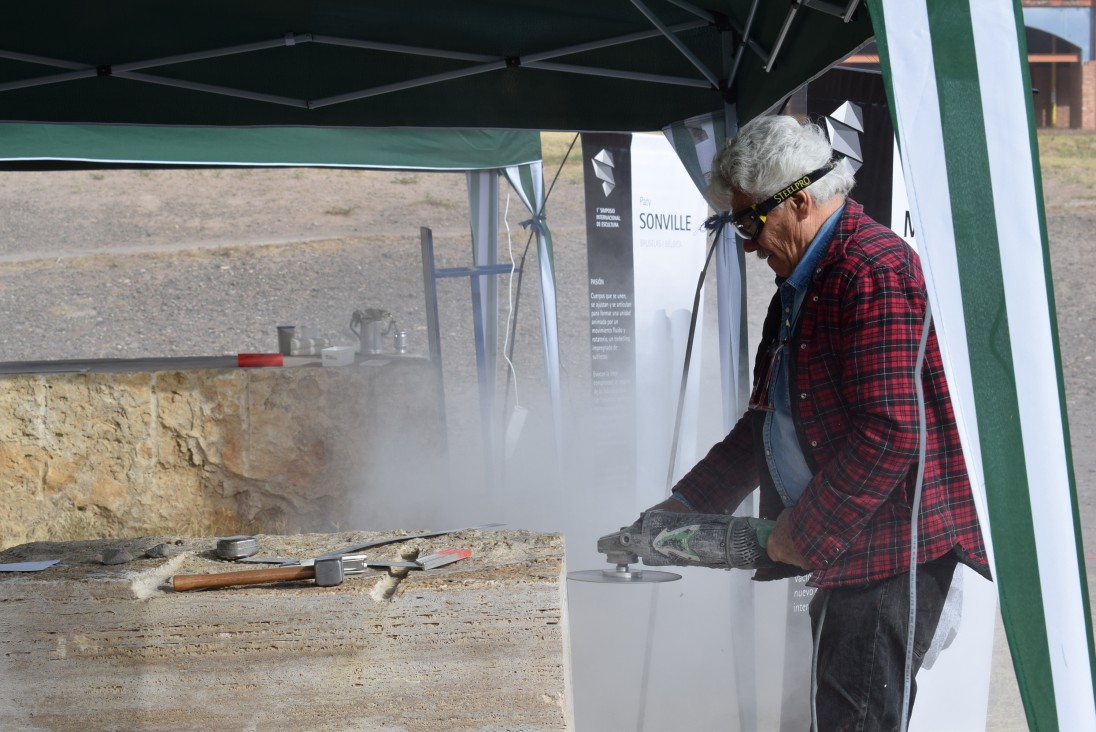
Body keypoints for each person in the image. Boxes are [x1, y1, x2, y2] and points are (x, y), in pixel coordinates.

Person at [647, 115, 991, 729]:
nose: (747, 242)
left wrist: (799, 535)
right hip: (851, 544)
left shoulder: (872, 270)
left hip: (885, 551)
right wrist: (683, 506)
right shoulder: (801, 282)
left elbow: (892, 434)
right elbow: (767, 426)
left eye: (751, 220)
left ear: (800, 200)